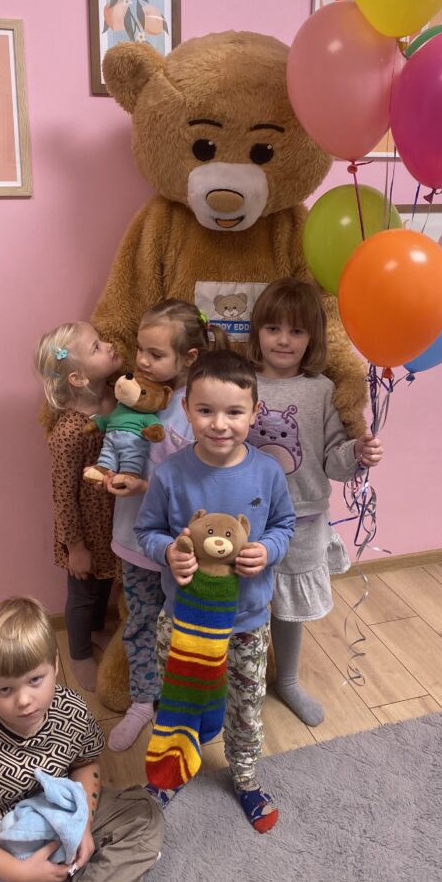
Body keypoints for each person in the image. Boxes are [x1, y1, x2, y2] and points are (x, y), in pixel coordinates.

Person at [135, 350, 295, 833]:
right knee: (178, 699)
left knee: (245, 706)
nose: (219, 424)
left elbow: (285, 525)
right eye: (205, 410)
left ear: (255, 412)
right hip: (183, 622)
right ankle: (171, 771)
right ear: (186, 409)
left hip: (247, 623)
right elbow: (147, 530)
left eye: (234, 412)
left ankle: (245, 777)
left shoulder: (267, 472)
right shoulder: (170, 473)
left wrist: (267, 550)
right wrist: (169, 551)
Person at [0, 596, 163, 882]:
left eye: (35, 680)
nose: (24, 700)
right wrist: (19, 873)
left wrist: (82, 823)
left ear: (54, 664)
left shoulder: (72, 709)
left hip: (60, 813)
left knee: (144, 815)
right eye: (5, 689)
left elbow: (85, 763)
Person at [246, 278, 384, 726]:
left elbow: (333, 463)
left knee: (288, 607)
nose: (284, 340)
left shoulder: (322, 390)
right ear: (258, 331)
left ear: (313, 338)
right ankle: (241, 681)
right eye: (273, 328)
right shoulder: (241, 383)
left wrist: (357, 452)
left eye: (297, 331)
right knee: (243, 602)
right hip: (244, 518)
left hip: (303, 517)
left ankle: (286, 680)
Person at [105, 300, 229, 752]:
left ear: (188, 357)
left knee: (183, 626)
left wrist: (145, 486)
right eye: (140, 349)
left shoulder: (196, 410)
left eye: (155, 354)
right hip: (134, 540)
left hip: (182, 546)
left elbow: (200, 479)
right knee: (140, 621)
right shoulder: (128, 394)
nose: (141, 360)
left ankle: (182, 705)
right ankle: (142, 701)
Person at [34, 323, 122, 692]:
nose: (110, 345)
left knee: (106, 585)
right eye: (98, 346)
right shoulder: (69, 432)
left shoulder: (119, 400)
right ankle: (79, 652)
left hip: (115, 520)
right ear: (78, 377)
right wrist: (76, 547)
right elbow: (63, 495)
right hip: (85, 531)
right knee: (84, 594)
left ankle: (98, 630)